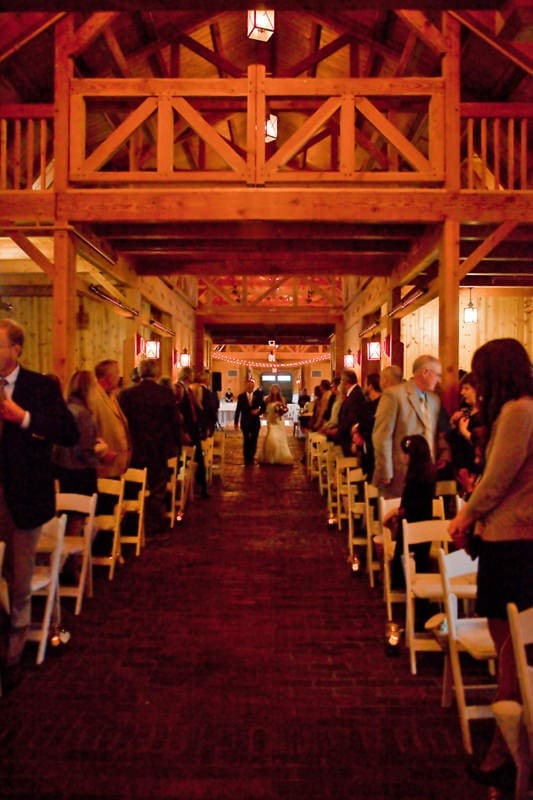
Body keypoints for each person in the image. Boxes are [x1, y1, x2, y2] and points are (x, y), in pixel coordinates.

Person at [448, 338, 533, 788]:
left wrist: (464, 516)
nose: (475, 387)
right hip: (513, 536)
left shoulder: (519, 412)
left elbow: (497, 481)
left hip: (511, 540)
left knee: (509, 650)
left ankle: (506, 750)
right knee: (513, 647)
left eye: (481, 378)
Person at [0, 318, 79, 692]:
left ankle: (12, 655)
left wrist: (24, 418)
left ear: (17, 348)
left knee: (19, 580)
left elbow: (68, 433)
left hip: (24, 497)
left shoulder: (40, 387)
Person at [119, 359, 181, 540]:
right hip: (158, 449)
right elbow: (174, 422)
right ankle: (154, 526)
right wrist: (176, 445)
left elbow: (123, 423)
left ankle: (132, 526)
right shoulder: (165, 394)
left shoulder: (127, 395)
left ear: (139, 372)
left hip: (135, 448)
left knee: (133, 488)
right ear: (156, 373)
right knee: (156, 490)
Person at [372, 354, 444, 498]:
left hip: (427, 473)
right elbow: (382, 435)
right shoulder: (394, 395)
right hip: (400, 472)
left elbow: (434, 433)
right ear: (425, 372)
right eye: (437, 375)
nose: (439, 380)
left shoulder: (435, 400)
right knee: (396, 517)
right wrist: (385, 471)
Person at [383, 435, 437, 590]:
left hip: (412, 525)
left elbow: (409, 505)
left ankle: (403, 583)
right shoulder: (427, 475)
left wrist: (396, 513)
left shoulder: (415, 480)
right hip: (423, 524)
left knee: (407, 554)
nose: (402, 456)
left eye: (405, 453)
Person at [53, 369, 99, 498]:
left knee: (66, 514)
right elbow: (83, 449)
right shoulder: (83, 414)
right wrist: (98, 455)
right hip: (80, 473)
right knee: (81, 515)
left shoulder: (65, 408)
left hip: (63, 471)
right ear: (89, 389)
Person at [90, 359, 131, 479]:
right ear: (108, 377)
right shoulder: (94, 397)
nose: (119, 377)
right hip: (105, 464)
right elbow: (90, 430)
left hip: (116, 464)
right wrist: (103, 453)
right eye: (117, 373)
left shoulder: (111, 396)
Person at [176, 365, 208, 498]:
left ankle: (201, 487)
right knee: (190, 459)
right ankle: (192, 488)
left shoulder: (188, 389)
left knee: (198, 459)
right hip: (187, 431)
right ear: (188, 376)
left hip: (193, 429)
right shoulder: (179, 389)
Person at [335, 369, 371, 457]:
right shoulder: (353, 393)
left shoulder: (355, 395)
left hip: (350, 439)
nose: (340, 384)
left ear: (345, 381)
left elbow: (353, 418)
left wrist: (339, 432)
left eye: (341, 381)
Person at [234, 378, 265, 466]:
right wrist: (236, 423)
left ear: (253, 387)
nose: (250, 387)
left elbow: (263, 407)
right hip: (245, 422)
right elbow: (238, 410)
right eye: (248, 385)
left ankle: (252, 456)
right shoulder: (241, 396)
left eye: (251, 386)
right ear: (246, 386)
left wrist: (258, 412)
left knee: (254, 440)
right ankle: (246, 458)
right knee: (246, 440)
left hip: (255, 422)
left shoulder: (258, 396)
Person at [260, 384, 293, 466]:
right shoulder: (267, 399)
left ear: (278, 390)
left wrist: (282, 411)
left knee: (280, 438)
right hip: (271, 421)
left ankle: (280, 456)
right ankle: (270, 457)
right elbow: (264, 411)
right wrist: (266, 417)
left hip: (279, 421)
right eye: (273, 389)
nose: (274, 390)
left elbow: (284, 408)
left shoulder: (282, 399)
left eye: (276, 389)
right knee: (271, 437)